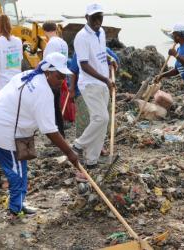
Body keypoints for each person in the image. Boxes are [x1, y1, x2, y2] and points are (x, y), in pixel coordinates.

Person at [0, 52, 78, 219]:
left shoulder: (27, 74)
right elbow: (49, 130)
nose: (62, 81)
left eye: (64, 77)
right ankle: (17, 207)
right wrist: (70, 153)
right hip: (2, 128)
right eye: (59, 76)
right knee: (17, 170)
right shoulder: (43, 93)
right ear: (48, 71)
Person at [72, 3, 115, 169]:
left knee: (103, 123)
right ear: (86, 18)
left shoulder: (101, 32)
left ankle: (91, 160)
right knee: (101, 118)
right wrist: (105, 79)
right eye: (94, 17)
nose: (98, 20)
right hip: (90, 84)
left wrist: (110, 60)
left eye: (100, 17)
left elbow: (100, 52)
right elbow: (83, 65)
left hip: (102, 82)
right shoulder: (81, 37)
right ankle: (77, 145)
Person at [68, 48, 119, 156]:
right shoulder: (81, 50)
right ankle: (80, 147)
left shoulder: (104, 49)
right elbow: (73, 71)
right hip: (84, 91)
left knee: (102, 121)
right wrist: (71, 89)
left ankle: (96, 149)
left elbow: (115, 62)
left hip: (102, 90)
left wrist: (111, 67)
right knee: (86, 120)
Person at [42, 21, 69, 138]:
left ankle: (56, 135)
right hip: (61, 75)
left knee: (51, 107)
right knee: (56, 106)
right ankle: (61, 133)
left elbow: (46, 62)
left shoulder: (51, 44)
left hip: (52, 76)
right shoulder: (63, 43)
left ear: (45, 31)